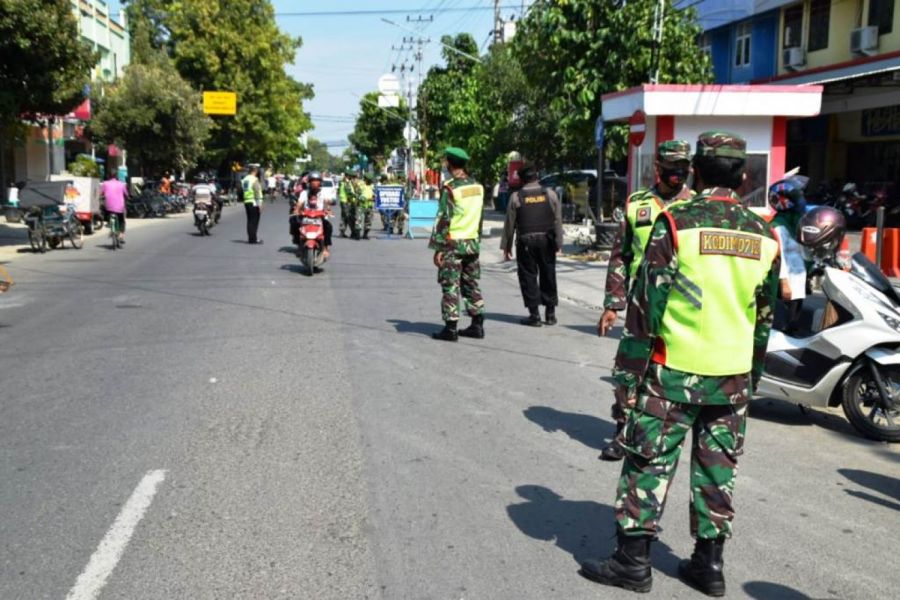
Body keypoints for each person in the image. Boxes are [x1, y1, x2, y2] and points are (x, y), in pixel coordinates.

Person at [579, 132, 780, 597]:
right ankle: (709, 568)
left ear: (695, 172)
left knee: (647, 463)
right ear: (745, 177)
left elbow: (644, 310)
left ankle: (633, 563)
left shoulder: (676, 224)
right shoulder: (764, 235)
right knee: (717, 470)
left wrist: (627, 378)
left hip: (673, 372)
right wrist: (752, 376)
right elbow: (765, 318)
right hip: (731, 376)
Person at [597, 140, 695, 461]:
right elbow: (620, 257)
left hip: (681, 309)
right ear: (658, 168)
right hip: (640, 308)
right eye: (671, 170)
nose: (677, 177)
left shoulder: (695, 207)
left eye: (682, 170)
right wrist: (613, 304)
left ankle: (657, 434)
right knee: (628, 371)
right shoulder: (637, 204)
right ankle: (623, 431)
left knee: (670, 376)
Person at [430, 147, 486, 342]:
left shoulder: (450, 188)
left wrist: (438, 248)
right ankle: (477, 325)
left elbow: (443, 218)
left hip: (453, 244)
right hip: (472, 242)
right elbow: (480, 217)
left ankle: (451, 329)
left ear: (449, 163)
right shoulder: (478, 187)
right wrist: (476, 239)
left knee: (450, 285)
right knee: (471, 283)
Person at [500, 162, 564, 327]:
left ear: (522, 180)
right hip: (547, 241)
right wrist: (559, 243)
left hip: (525, 242)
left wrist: (506, 247)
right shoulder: (550, 194)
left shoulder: (516, 197)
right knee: (548, 274)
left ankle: (534, 315)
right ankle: (550, 314)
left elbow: (509, 224)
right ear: (537, 177)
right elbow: (557, 220)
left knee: (528, 277)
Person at [766, 176, 809, 333]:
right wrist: (784, 283)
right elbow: (778, 257)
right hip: (787, 282)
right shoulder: (778, 226)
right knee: (784, 321)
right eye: (798, 197)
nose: (802, 200)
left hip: (798, 277)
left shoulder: (796, 221)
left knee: (795, 318)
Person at [291, 171, 333, 258]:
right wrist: (297, 210)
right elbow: (300, 203)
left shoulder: (323, 193)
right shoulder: (304, 193)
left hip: (320, 217)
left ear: (320, 182)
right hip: (306, 216)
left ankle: (325, 247)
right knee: (294, 223)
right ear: (309, 182)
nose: (315, 183)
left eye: (317, 180)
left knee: (328, 227)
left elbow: (327, 203)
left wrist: (328, 209)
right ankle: (299, 245)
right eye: (313, 180)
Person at [100, 170, 128, 244]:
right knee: (122, 221)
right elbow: (126, 194)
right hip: (120, 208)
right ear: (117, 176)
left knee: (105, 212)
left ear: (109, 176)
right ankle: (121, 235)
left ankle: (109, 223)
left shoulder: (105, 184)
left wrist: (103, 196)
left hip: (108, 207)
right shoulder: (122, 184)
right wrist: (127, 197)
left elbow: (101, 193)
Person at [242, 165, 263, 244]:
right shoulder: (254, 179)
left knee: (249, 220)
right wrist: (259, 203)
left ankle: (251, 238)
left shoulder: (245, 179)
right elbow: (257, 191)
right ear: (255, 171)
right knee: (254, 221)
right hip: (254, 201)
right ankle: (253, 239)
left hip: (247, 201)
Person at [338, 171, 359, 238]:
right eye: (351, 176)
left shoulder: (343, 182)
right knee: (349, 217)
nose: (352, 178)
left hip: (345, 201)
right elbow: (349, 192)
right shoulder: (346, 182)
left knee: (344, 217)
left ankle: (342, 232)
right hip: (346, 202)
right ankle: (353, 232)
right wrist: (356, 196)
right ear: (348, 176)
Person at [357, 174, 375, 239]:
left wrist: (374, 197)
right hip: (361, 206)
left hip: (369, 206)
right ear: (366, 179)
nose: (371, 182)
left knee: (368, 221)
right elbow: (358, 196)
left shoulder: (372, 186)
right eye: (369, 180)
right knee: (359, 220)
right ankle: (358, 235)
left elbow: (374, 195)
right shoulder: (361, 186)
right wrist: (367, 199)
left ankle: (365, 234)